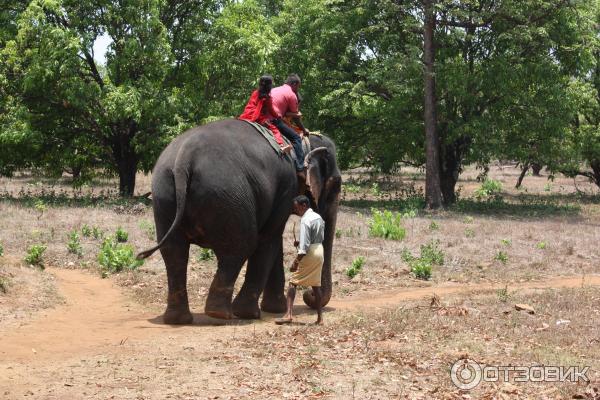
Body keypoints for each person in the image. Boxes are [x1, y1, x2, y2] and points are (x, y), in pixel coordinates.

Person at [275, 195, 325, 325]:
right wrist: (302, 243)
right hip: (319, 250)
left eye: (296, 208)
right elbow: (317, 237)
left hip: (310, 253)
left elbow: (303, 249)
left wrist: (295, 262)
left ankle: (288, 315)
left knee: (293, 282)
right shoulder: (318, 217)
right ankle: (320, 318)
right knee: (316, 285)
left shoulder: (305, 220)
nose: (295, 211)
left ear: (304, 206)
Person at [239, 75, 292, 153]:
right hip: (258, 118)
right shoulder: (267, 98)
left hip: (246, 114)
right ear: (269, 86)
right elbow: (272, 111)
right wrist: (279, 116)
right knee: (275, 129)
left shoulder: (255, 93)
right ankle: (281, 145)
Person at [269, 74, 308, 176]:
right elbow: (296, 118)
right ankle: (300, 168)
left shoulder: (274, 89)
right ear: (294, 84)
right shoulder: (291, 95)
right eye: (298, 86)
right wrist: (304, 130)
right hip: (274, 119)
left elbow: (285, 112)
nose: (298, 89)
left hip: (262, 117)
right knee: (296, 138)